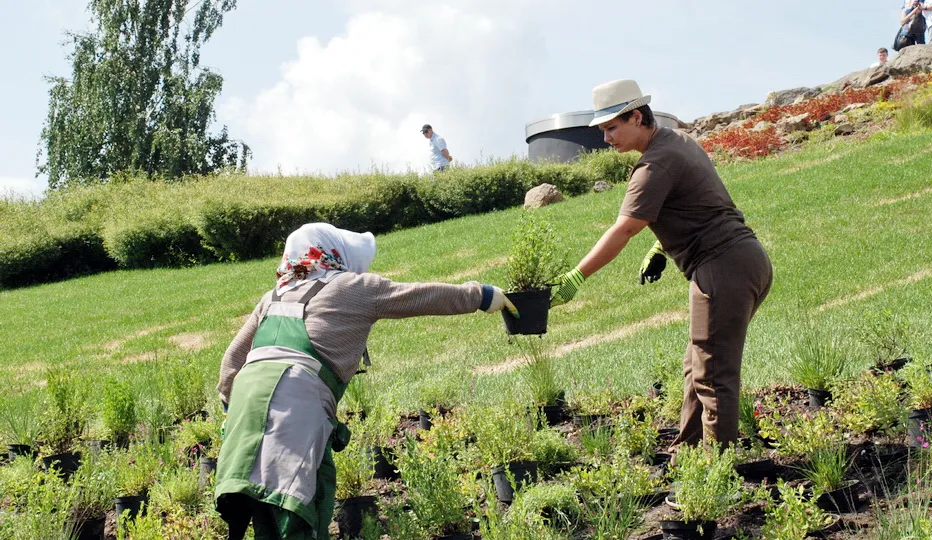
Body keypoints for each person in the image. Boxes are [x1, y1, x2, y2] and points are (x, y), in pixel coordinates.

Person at [214, 223, 516, 540]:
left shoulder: (273, 297)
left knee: (259, 505)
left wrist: (229, 411)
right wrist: (481, 296)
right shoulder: (352, 287)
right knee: (299, 512)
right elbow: (418, 296)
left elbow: (231, 363)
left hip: (243, 412)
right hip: (294, 407)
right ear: (335, 256)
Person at [550, 79, 773, 451]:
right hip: (743, 261)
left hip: (721, 269)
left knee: (713, 376)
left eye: (611, 128)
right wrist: (661, 246)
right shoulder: (678, 141)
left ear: (636, 116)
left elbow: (624, 230)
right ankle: (687, 457)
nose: (606, 138)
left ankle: (719, 470)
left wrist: (577, 276)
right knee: (697, 368)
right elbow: (701, 199)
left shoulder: (653, 166)